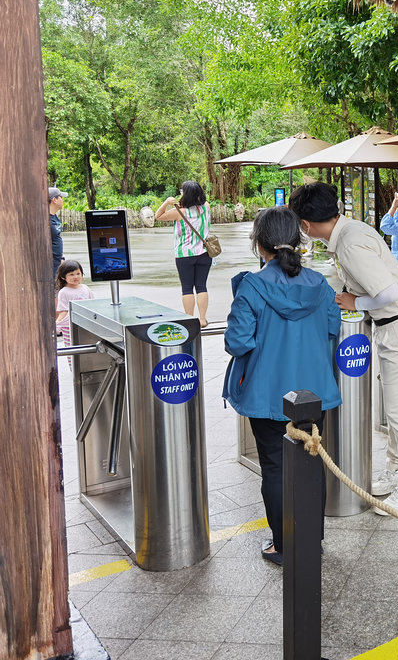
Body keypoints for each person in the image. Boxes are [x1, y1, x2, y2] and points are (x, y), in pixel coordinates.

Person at [290, 182, 398, 515]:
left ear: (306, 225)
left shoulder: (351, 244)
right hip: (396, 326)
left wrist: (355, 300)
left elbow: (386, 294)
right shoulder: (349, 231)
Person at [223, 206, 341, 565]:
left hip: (267, 393)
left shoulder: (252, 285)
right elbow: (332, 330)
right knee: (311, 461)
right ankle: (311, 541)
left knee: (274, 467)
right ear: (298, 239)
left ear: (260, 244)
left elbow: (237, 341)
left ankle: (283, 545)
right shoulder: (320, 284)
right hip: (312, 394)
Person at [155, 181, 213, 327]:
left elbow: (158, 216)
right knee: (201, 286)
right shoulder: (206, 207)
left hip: (184, 255)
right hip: (204, 253)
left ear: (186, 195)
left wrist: (166, 202)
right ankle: (202, 319)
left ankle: (189, 320)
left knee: (187, 288)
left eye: (182, 191)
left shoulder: (178, 213)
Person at [55, 260, 95, 367]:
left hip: (85, 322)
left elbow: (93, 304)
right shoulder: (64, 292)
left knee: (86, 343)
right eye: (71, 274)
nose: (75, 276)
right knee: (71, 345)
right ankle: (74, 368)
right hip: (69, 325)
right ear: (63, 277)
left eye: (78, 273)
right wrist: (57, 323)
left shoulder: (86, 288)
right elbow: (63, 310)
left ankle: (87, 365)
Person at [49, 187, 68, 279]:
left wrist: (61, 257)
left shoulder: (55, 217)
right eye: (61, 197)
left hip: (57, 260)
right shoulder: (45, 220)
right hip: (50, 262)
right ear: (54, 200)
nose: (62, 200)